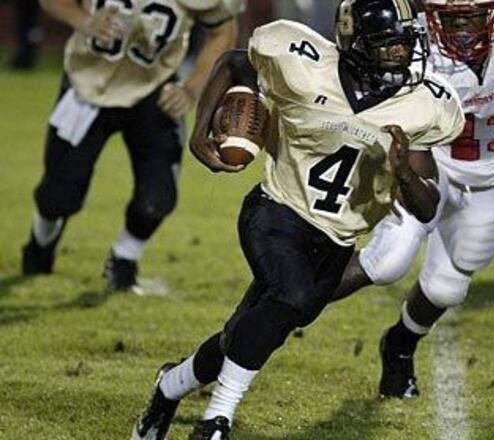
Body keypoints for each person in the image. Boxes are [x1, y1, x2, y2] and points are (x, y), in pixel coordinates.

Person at [130, 0, 465, 438]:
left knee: (251, 330)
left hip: (336, 241)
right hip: (277, 210)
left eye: (405, 46)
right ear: (356, 44)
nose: (401, 58)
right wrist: (200, 130)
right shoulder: (301, 62)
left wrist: (404, 173)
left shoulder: (420, 105)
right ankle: (216, 420)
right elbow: (233, 63)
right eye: (388, 47)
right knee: (288, 296)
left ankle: (170, 387)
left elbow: (426, 207)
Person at [331, 0, 494, 399]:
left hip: (493, 174)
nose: (462, 26)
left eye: (473, 13)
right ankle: (286, 302)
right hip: (429, 161)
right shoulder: (410, 36)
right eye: (450, 16)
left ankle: (399, 346)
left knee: (449, 287)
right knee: (386, 262)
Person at [21, 0, 241, 292]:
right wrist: (83, 20)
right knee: (58, 197)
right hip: (87, 85)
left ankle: (124, 261)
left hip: (155, 89)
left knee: (156, 198)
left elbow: (222, 30)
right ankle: (40, 245)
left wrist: (191, 88)